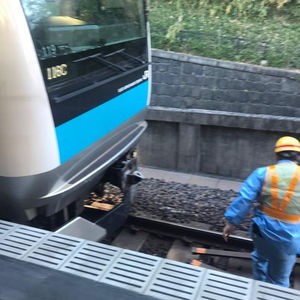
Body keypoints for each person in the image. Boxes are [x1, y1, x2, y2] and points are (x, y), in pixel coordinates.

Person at [223, 136, 300, 288]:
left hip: (262, 231)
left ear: (277, 155)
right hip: (290, 236)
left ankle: (258, 289)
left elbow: (245, 199)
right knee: (279, 278)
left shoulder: (262, 173)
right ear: (298, 155)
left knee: (260, 259)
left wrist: (231, 223)